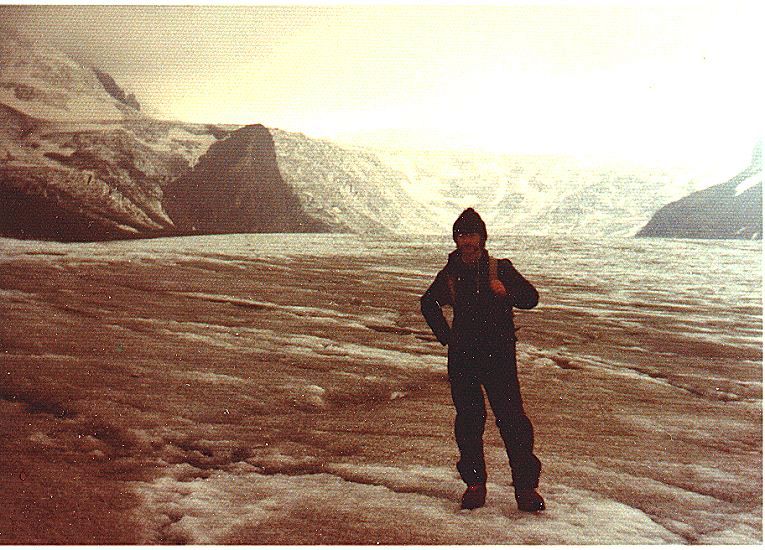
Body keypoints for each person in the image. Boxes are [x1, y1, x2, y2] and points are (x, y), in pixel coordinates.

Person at [420, 208, 545, 512]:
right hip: (463, 360)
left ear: (483, 238)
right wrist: (446, 337)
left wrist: (508, 291)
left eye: (472, 235)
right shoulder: (449, 274)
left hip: (498, 358)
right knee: (469, 423)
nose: (467, 241)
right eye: (462, 235)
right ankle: (475, 486)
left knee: (513, 422)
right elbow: (428, 302)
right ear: (456, 239)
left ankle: (525, 490)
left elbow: (531, 297)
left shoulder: (499, 268)